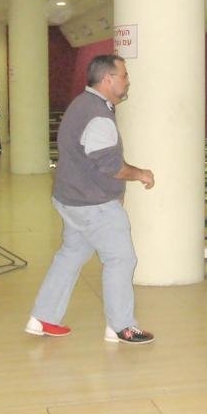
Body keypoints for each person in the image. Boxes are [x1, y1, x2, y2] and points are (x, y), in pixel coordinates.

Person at [25, 54, 155, 345]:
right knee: (121, 259)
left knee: (71, 254)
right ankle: (122, 326)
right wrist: (140, 174)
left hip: (71, 199)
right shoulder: (98, 115)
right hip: (93, 205)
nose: (127, 81)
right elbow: (110, 166)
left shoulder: (81, 104)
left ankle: (43, 317)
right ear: (108, 79)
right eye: (124, 75)